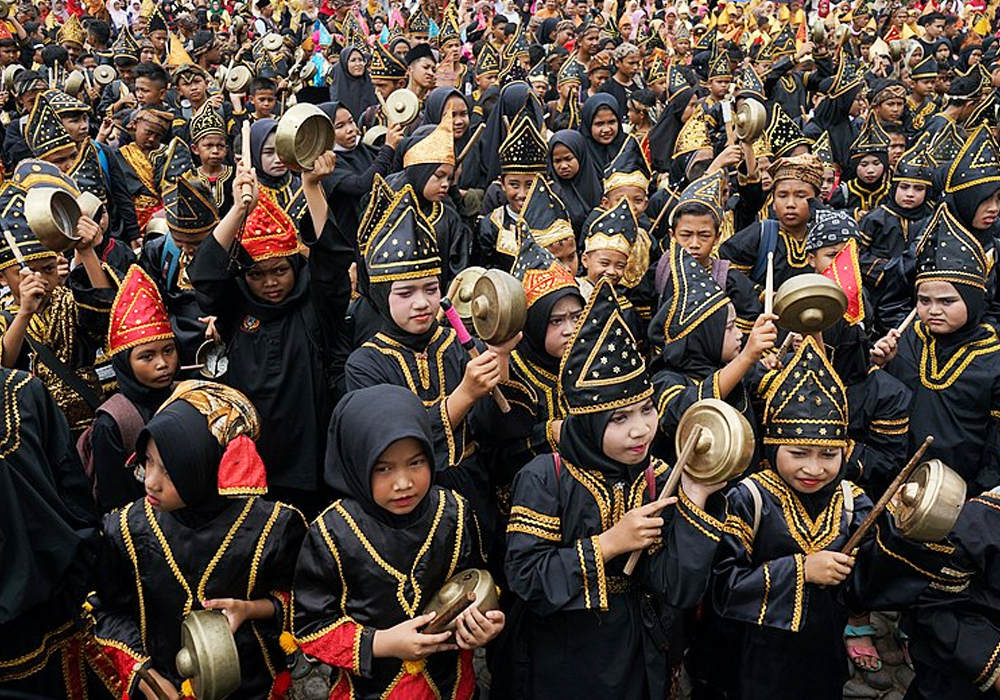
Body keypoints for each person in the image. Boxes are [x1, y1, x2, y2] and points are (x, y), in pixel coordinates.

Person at [497, 278, 727, 700]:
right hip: (564, 652)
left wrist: (695, 493)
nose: (640, 430)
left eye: (647, 410)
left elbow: (677, 588)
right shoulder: (545, 477)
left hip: (639, 647)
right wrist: (608, 544)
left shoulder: (657, 475)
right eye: (618, 419)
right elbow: (526, 579)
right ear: (587, 423)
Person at [93, 380, 307, 700]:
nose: (150, 481)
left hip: (253, 686)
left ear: (203, 467)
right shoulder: (124, 528)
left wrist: (252, 609)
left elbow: (307, 602)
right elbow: (106, 611)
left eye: (168, 470)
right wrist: (146, 677)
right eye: (146, 462)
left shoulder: (274, 526)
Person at [293, 384, 504, 700]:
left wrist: (483, 622)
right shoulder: (332, 533)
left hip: (449, 684)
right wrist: (380, 643)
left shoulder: (454, 512)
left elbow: (476, 583)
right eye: (384, 468)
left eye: (416, 463)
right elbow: (310, 627)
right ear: (355, 463)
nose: (403, 483)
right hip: (369, 689)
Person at [190, 156, 353, 516]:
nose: (270, 283)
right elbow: (205, 273)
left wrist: (311, 186)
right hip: (252, 456)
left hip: (310, 456)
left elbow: (333, 259)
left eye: (280, 270)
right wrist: (237, 210)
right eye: (257, 275)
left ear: (295, 265)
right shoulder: (235, 307)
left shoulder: (315, 304)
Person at [0, 163, 115, 435]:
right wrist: (25, 312)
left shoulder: (68, 299)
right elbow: (3, 365)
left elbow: (105, 318)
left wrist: (87, 252)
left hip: (91, 422)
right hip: (35, 428)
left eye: (49, 270)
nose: (41, 279)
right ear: (3, 278)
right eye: (25, 273)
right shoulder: (5, 314)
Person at [87, 266, 179, 513]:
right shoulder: (113, 422)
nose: (162, 364)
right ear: (125, 364)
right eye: (147, 357)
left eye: (168, 351)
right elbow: (115, 499)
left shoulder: (187, 397)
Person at [477, 114, 548, 270]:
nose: (522, 194)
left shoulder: (556, 222)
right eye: (514, 185)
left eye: (530, 185)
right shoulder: (490, 226)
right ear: (502, 184)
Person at [330, 46, 378, 122]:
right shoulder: (338, 88)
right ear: (345, 63)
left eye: (361, 60)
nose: (358, 64)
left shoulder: (372, 83)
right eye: (353, 60)